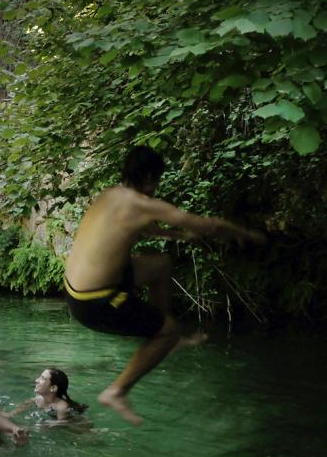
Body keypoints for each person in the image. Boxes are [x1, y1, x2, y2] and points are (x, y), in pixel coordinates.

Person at [63, 144, 266, 426]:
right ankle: (117, 391)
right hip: (96, 301)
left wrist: (175, 236)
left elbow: (140, 227)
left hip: (75, 289)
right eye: (156, 180)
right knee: (168, 333)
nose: (156, 187)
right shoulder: (143, 204)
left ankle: (163, 335)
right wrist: (243, 233)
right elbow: (206, 225)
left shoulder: (110, 195)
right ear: (148, 177)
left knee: (161, 265)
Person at [6, 368, 87, 422]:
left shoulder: (62, 407)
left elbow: (62, 425)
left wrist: (45, 425)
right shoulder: (38, 399)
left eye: (42, 378)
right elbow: (25, 404)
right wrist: (10, 414)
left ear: (53, 388)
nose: (36, 380)